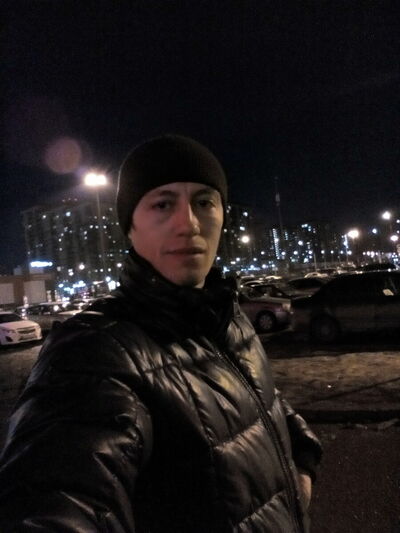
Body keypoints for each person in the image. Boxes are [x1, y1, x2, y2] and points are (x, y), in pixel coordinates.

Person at [0, 135, 322, 532]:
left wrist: (302, 463)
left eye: (204, 202)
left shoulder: (228, 316)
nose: (188, 224)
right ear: (129, 227)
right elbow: (57, 495)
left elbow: (262, 402)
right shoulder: (95, 351)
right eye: (163, 204)